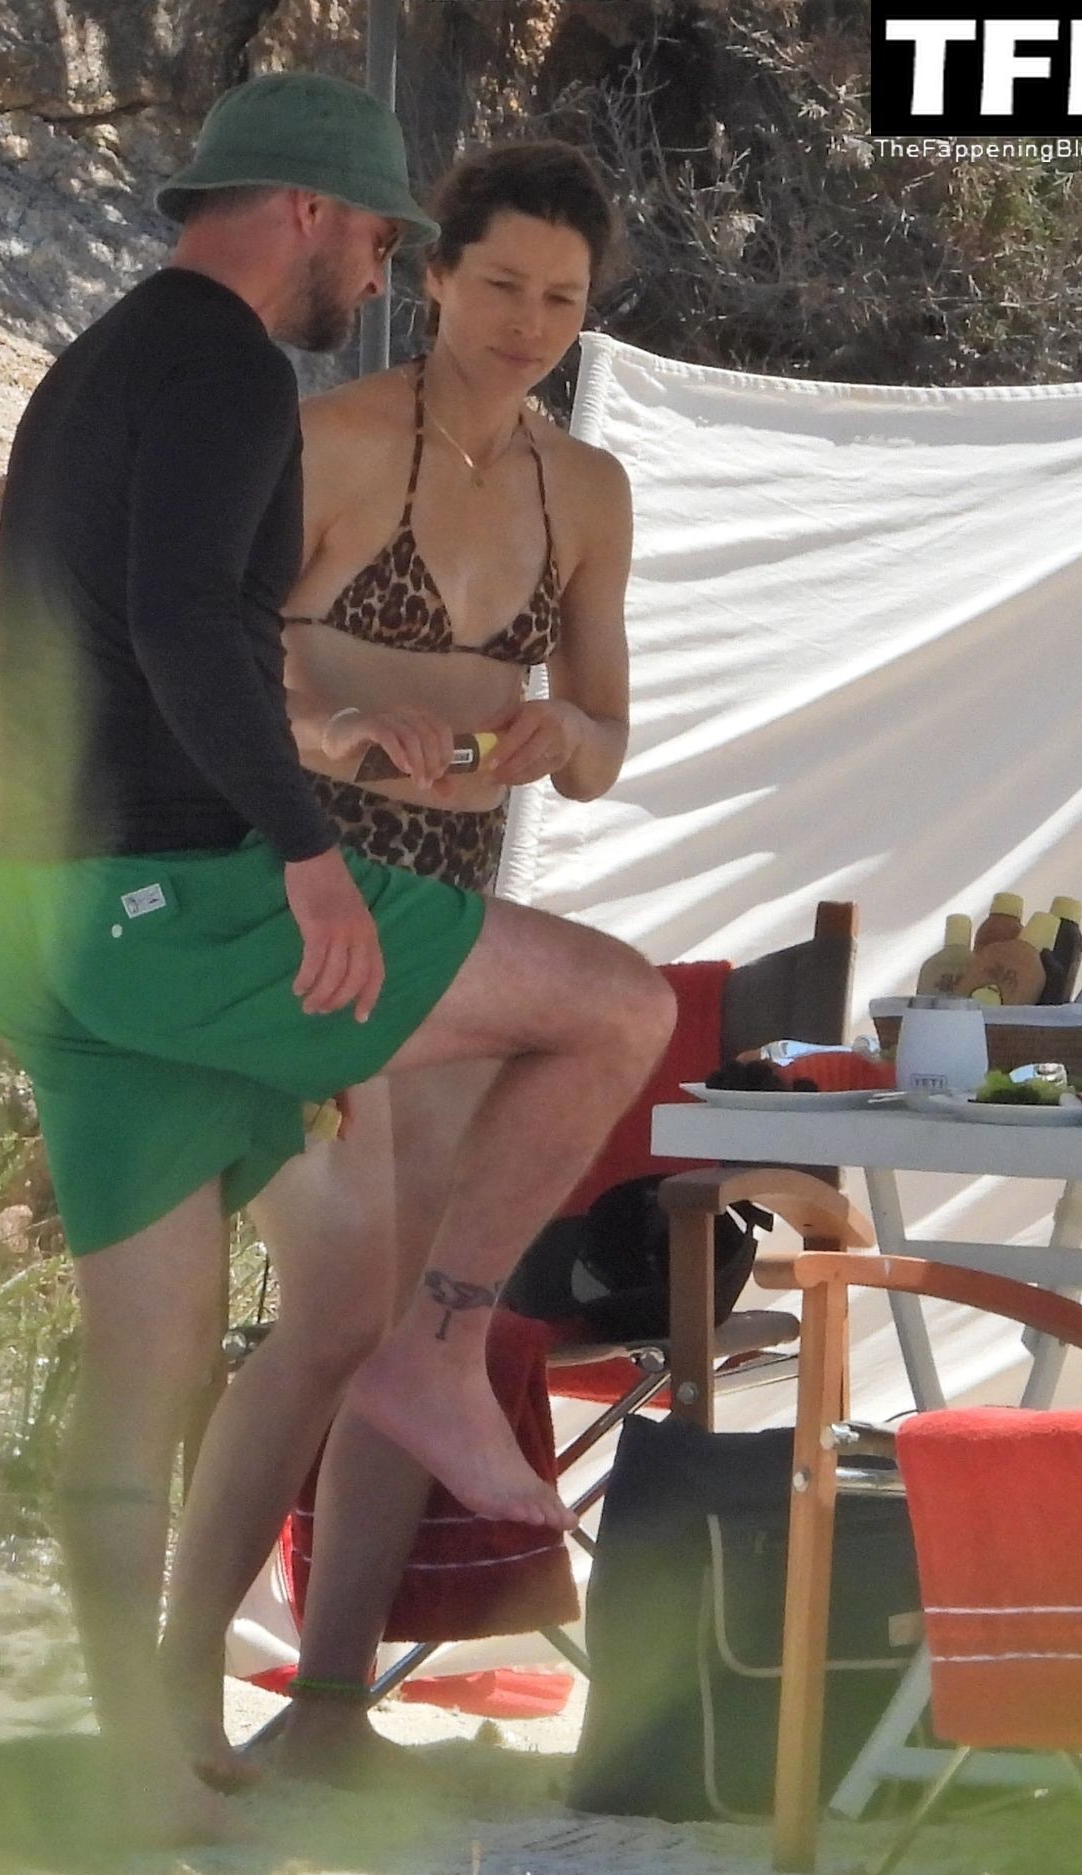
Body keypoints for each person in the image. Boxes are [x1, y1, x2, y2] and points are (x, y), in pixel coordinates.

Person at [0, 71, 674, 1848]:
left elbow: (140, 633)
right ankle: (436, 1374)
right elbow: (189, 631)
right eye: (388, 241)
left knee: (171, 1365)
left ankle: (152, 1759)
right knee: (616, 1010)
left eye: (563, 297)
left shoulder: (108, 360)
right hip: (234, 898)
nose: (369, 273)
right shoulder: (237, 374)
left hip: (66, 906)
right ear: (316, 214)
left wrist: (503, 744)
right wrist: (309, 835)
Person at [160, 141, 638, 1787]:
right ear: (430, 275)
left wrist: (557, 735)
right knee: (328, 1315)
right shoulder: (333, 442)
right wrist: (340, 729)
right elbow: (212, 672)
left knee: (390, 1333)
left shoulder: (586, 490)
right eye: (498, 282)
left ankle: (329, 1700)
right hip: (308, 890)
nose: (526, 321)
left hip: (458, 907)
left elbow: (605, 743)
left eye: (560, 298)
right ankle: (171, 1692)